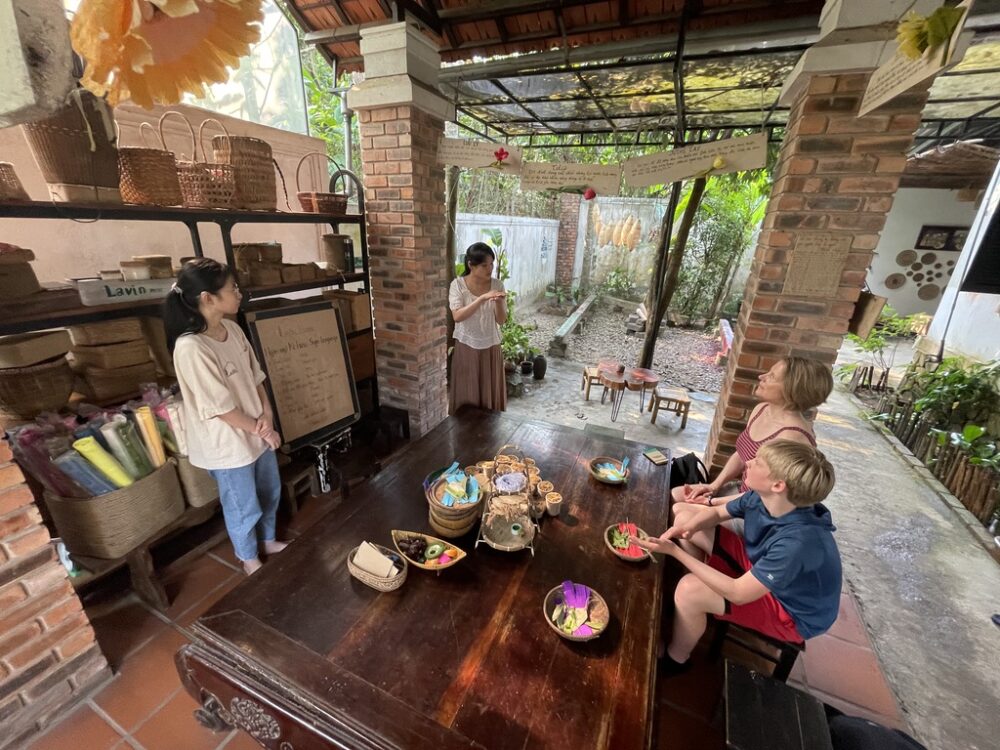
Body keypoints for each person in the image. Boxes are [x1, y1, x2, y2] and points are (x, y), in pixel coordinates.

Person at [634, 439, 841, 672]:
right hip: (759, 565)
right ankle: (696, 604)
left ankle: (676, 659)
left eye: (758, 462)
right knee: (684, 515)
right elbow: (716, 514)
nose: (749, 461)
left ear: (778, 485)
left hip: (789, 610)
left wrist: (674, 551)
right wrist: (688, 528)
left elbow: (738, 593)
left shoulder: (797, 544)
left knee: (689, 589)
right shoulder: (766, 497)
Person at [164, 259, 287, 576]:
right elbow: (220, 408)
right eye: (232, 288)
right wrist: (263, 431)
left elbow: (256, 377)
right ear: (208, 298)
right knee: (242, 504)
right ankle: (248, 557)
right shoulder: (191, 348)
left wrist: (268, 416)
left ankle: (269, 539)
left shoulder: (232, 329)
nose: (239, 293)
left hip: (257, 430)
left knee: (269, 490)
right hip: (228, 445)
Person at [675, 356, 833, 506]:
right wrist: (713, 486)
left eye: (772, 376)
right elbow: (741, 455)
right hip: (741, 493)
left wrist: (711, 503)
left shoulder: (793, 437)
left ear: (793, 389)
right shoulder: (761, 409)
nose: (761, 377)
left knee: (684, 511)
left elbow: (770, 495)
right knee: (678, 494)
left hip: (758, 508)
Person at [448, 242, 508, 413]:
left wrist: (499, 303)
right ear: (470, 265)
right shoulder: (457, 285)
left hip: (491, 346)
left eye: (491, 264)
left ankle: (490, 436)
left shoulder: (497, 285)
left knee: (490, 401)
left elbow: (502, 320)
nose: (490, 269)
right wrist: (482, 299)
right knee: (468, 396)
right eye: (484, 265)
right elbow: (457, 316)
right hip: (467, 345)